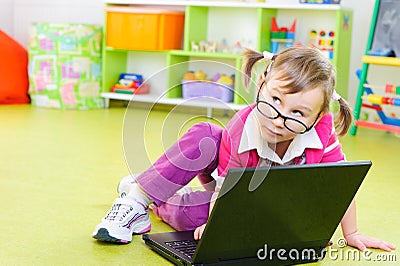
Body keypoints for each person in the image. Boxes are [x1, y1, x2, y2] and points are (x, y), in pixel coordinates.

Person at [92, 46, 396, 252]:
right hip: (231, 185)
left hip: (267, 205)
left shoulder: (323, 134)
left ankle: (148, 188)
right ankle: (142, 196)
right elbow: (225, 189)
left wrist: (351, 233)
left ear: (318, 117)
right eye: (275, 101)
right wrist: (215, 227)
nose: (279, 120)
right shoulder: (241, 129)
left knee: (206, 219)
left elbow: (339, 185)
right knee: (203, 148)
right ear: (261, 83)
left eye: (298, 113)